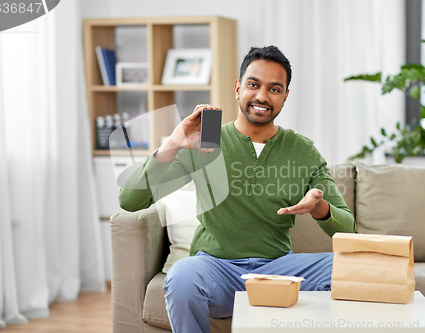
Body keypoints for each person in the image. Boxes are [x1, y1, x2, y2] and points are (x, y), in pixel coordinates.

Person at [118, 45, 355, 333]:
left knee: (349, 269)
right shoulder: (206, 139)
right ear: (237, 88)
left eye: (274, 89)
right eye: (253, 85)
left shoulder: (302, 150)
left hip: (277, 271)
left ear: (285, 97)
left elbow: (346, 228)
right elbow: (130, 201)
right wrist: (173, 143)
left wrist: (319, 207)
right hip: (215, 269)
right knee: (182, 275)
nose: (262, 96)